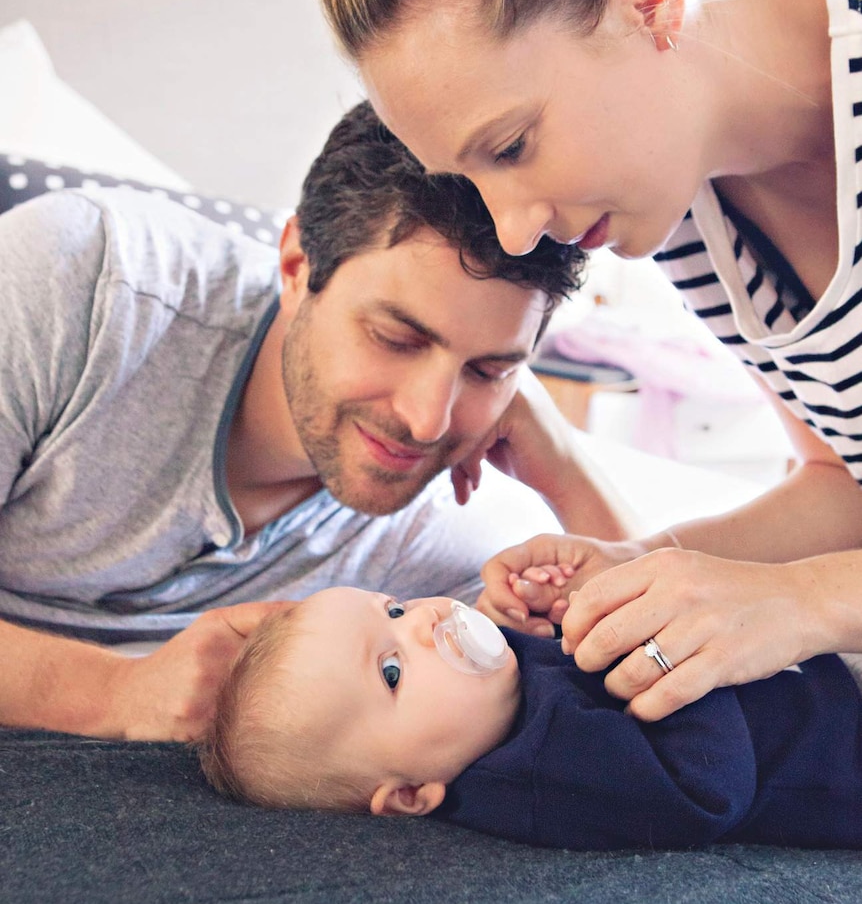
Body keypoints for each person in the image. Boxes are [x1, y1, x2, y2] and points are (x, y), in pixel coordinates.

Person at [310, 0, 862, 721]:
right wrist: (645, 567)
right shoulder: (685, 197)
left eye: (514, 144)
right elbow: (840, 483)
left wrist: (807, 602)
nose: (517, 225)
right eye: (473, 182)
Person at [0, 100, 621, 742]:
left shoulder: (452, 539)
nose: (428, 420)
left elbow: (671, 688)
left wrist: (568, 473)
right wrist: (113, 694)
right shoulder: (82, 287)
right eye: (396, 338)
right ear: (297, 267)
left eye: (487, 370)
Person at [199, 584, 862, 850]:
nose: (427, 619)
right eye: (392, 668)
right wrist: (680, 656)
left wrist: (561, 615)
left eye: (394, 608)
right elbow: (704, 792)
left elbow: (573, 666)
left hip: (819, 673)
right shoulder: (542, 772)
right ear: (411, 792)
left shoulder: (490, 701)